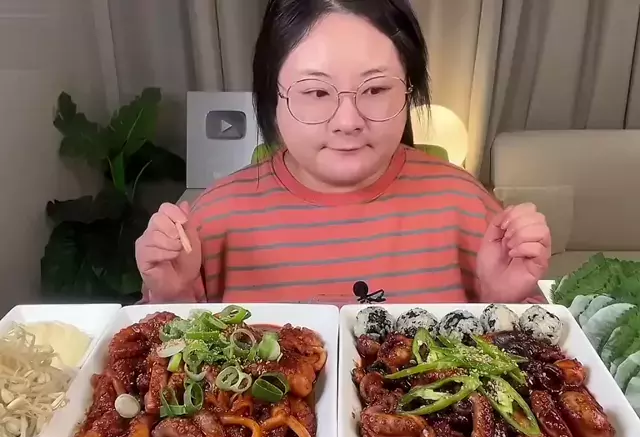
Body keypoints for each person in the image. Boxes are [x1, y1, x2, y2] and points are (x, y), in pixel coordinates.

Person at [135, 0, 551, 305]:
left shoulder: (465, 204)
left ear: (409, 90)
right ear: (272, 98)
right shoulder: (213, 219)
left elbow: (540, 357)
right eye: (316, 92)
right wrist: (172, 296)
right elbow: (157, 365)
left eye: (376, 89)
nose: (348, 121)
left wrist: (504, 302)